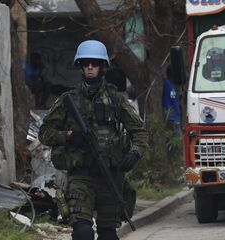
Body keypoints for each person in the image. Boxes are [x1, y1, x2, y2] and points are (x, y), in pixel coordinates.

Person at [38, 40, 148, 239]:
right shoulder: (68, 100)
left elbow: (139, 131)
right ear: (80, 66)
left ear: (102, 66)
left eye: (94, 63)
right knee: (83, 232)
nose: (90, 67)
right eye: (86, 63)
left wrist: (134, 154)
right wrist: (69, 136)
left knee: (108, 234)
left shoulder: (116, 99)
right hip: (81, 176)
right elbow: (44, 132)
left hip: (110, 175)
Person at [162, 65, 182, 133]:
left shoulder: (173, 85)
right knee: (176, 140)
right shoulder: (167, 84)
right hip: (171, 118)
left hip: (176, 117)